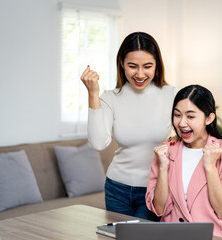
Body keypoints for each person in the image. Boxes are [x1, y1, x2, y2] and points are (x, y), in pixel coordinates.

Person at [80, 32, 177, 221]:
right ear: (122, 64)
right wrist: (93, 93)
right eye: (132, 66)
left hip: (155, 189)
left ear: (157, 65)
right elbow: (98, 143)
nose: (140, 74)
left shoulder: (171, 95)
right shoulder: (110, 98)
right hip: (117, 189)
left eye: (147, 66)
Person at [145, 85, 222, 239]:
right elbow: (159, 209)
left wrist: (210, 167)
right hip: (174, 235)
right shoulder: (166, 151)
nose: (181, 123)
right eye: (177, 115)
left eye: (190, 116)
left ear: (209, 118)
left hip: (217, 236)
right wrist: (163, 168)